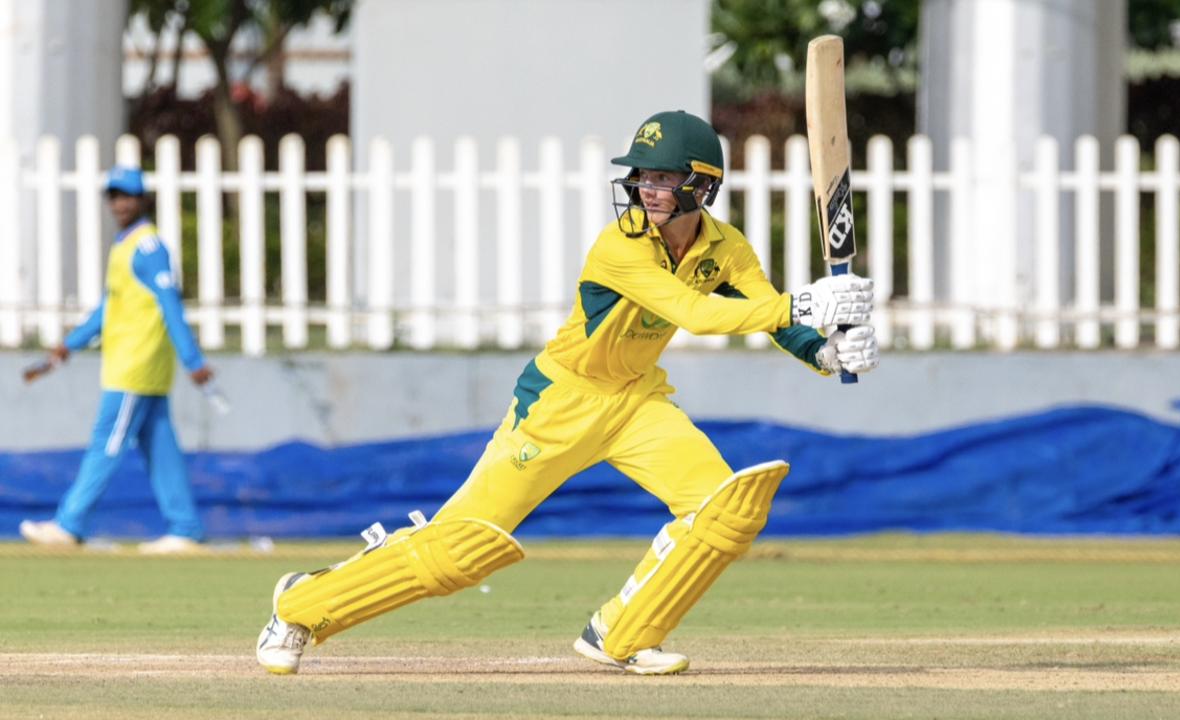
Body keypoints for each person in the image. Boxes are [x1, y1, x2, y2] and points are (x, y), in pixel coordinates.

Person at [255, 110, 878, 675]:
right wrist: (802, 301)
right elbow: (695, 313)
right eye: (640, 177)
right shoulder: (618, 248)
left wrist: (822, 350)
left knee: (725, 510)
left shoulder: (726, 248)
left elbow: (761, 310)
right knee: (460, 551)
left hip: (636, 402)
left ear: (701, 186)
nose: (644, 190)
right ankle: (302, 606)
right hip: (559, 402)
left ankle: (623, 634)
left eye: (661, 179)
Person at [19, 166, 214, 555]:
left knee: (105, 444)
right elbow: (110, 307)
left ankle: (69, 523)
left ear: (143, 199)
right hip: (134, 367)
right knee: (160, 447)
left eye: (127, 196)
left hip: (134, 367)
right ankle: (185, 527)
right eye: (114, 196)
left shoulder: (148, 248)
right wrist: (69, 345)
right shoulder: (126, 246)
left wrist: (192, 358)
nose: (120, 204)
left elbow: (169, 305)